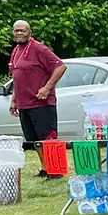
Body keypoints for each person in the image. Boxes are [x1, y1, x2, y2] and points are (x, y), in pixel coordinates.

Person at [9, 20, 67, 177]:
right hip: (24, 103)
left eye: (23, 30)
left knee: (48, 137)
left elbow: (60, 66)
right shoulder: (16, 51)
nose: (19, 33)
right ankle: (45, 168)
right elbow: (17, 78)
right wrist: (14, 99)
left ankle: (57, 171)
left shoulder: (39, 49)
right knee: (34, 140)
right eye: (16, 31)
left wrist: (47, 87)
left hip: (41, 102)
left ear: (30, 32)